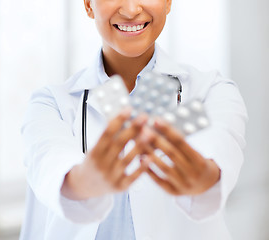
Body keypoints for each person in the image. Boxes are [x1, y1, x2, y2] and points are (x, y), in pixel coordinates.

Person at [19, 0, 248, 239]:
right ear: (88, 5)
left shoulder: (210, 92)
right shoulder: (51, 104)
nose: (131, 10)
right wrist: (82, 182)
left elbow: (220, 149)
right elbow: (49, 164)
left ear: (168, 2)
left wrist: (203, 179)